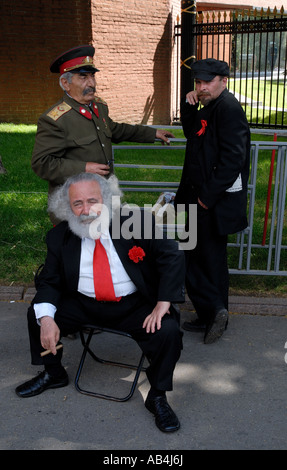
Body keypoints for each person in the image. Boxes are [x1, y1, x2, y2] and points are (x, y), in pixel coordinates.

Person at [15, 172, 185, 433]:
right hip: (83, 303)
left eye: (92, 201)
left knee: (169, 330)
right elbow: (50, 282)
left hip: (134, 305)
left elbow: (171, 255)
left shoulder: (135, 222)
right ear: (67, 207)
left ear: (107, 199)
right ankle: (53, 372)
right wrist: (47, 319)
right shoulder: (59, 237)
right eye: (77, 203)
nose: (86, 210)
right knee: (37, 314)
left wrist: (164, 301)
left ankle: (158, 395)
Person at [31, 45, 174, 203]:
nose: (92, 83)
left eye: (92, 76)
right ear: (66, 83)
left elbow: (114, 130)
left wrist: (152, 133)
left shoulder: (98, 106)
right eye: (83, 77)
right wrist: (84, 169)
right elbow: (41, 163)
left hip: (102, 193)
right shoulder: (55, 119)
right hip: (75, 203)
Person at [174, 58, 250, 344]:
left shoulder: (228, 109)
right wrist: (189, 105)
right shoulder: (210, 106)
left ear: (223, 81)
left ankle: (214, 310)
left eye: (207, 82)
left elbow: (234, 159)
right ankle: (212, 314)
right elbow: (193, 135)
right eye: (198, 83)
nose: (202, 87)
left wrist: (206, 198)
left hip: (207, 200)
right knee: (202, 257)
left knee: (198, 257)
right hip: (195, 197)